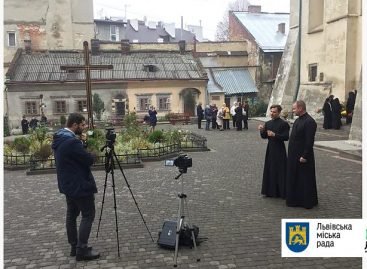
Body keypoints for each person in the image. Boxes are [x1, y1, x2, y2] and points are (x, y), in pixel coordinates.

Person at [52, 113, 100, 261]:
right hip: (79, 185)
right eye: (82, 125)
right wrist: (93, 154)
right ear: (74, 125)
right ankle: (82, 249)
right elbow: (87, 160)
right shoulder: (72, 142)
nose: (84, 127)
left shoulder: (60, 138)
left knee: (71, 215)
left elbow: (73, 159)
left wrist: (81, 145)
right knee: (88, 215)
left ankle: (74, 246)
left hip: (67, 184)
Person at [286, 100, 318, 209]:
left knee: (304, 179)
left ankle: (306, 202)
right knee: (295, 178)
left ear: (300, 108)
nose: (293, 110)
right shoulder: (298, 120)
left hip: (303, 157)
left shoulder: (309, 122)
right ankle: (295, 200)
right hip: (294, 156)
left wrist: (304, 156)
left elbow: (309, 141)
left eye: (294, 108)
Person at [258, 105, 290, 198]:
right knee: (270, 169)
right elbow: (264, 136)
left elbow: (286, 137)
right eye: (271, 111)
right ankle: (270, 191)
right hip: (270, 149)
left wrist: (275, 135)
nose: (272, 113)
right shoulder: (267, 123)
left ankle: (281, 192)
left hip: (280, 150)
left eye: (274, 112)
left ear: (279, 112)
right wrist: (262, 130)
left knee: (280, 170)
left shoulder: (284, 124)